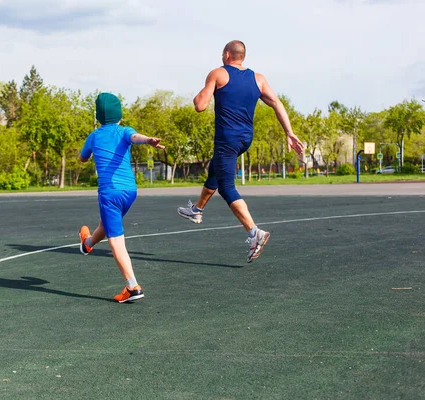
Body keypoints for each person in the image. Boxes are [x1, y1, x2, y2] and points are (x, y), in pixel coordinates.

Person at [176, 40, 305, 263]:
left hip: (227, 139)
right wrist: (289, 132)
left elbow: (200, 106)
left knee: (226, 188)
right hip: (245, 139)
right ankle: (197, 209)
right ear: (242, 56)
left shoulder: (218, 74)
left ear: (227, 54)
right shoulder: (258, 78)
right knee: (215, 171)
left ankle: (254, 232)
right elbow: (277, 103)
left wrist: (200, 94)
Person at [78, 92, 164, 303]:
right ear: (119, 114)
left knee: (116, 240)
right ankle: (87, 243)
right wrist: (149, 141)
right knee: (106, 224)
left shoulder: (94, 136)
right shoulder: (125, 131)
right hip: (130, 192)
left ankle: (132, 286)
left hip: (110, 193)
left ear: (98, 116)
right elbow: (136, 138)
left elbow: (82, 158)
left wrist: (89, 153)